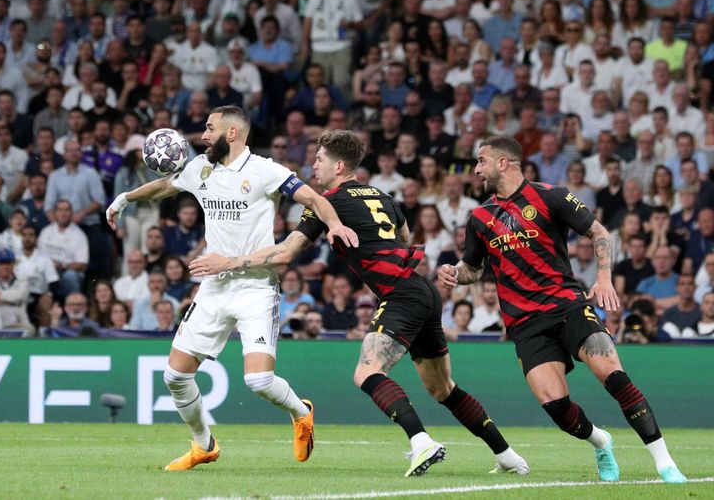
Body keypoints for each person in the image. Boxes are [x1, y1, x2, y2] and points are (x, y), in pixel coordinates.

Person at [193, 130, 527, 477]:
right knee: (443, 388)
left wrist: (227, 262)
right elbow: (404, 237)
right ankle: (507, 456)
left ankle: (421, 442)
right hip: (423, 292)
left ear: (338, 166)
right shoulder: (383, 197)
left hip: (401, 294)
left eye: (319, 159)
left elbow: (286, 252)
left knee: (367, 371)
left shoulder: (328, 202)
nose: (314, 164)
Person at [106, 105, 357, 470]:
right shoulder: (200, 169)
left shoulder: (265, 171)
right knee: (175, 375)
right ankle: (203, 444)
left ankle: (302, 412)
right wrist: (126, 198)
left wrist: (333, 224)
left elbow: (316, 199)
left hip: (255, 288)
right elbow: (165, 186)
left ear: (232, 133)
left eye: (209, 129)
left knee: (258, 380)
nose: (203, 136)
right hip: (213, 288)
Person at [436, 136, 686, 484]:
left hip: (567, 305)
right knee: (555, 405)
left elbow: (599, 233)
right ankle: (601, 441)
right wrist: (454, 273)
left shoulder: (551, 195)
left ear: (503, 162)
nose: (476, 169)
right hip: (524, 323)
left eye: (481, 161)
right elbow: (474, 268)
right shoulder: (479, 217)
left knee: (613, 375)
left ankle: (665, 463)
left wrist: (604, 278)